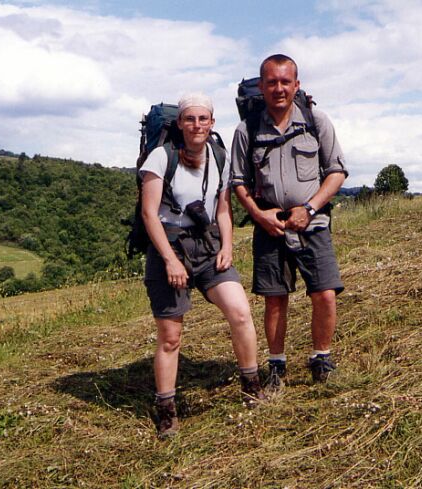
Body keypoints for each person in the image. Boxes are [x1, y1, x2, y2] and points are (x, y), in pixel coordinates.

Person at [140, 92, 265, 438]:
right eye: (190, 119)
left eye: (203, 119)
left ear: (212, 123)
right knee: (170, 336)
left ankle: (251, 385)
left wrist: (228, 246)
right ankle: (166, 409)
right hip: (169, 245)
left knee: (240, 312)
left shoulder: (219, 157)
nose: (197, 125)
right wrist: (169, 260)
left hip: (208, 245)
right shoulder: (160, 158)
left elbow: (223, 209)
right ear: (179, 123)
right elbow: (149, 214)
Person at [231, 54, 348, 389]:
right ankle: (277, 366)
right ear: (262, 86)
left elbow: (337, 171)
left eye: (285, 82)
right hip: (270, 227)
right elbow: (237, 181)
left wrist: (309, 208)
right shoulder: (247, 129)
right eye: (271, 82)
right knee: (275, 299)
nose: (278, 88)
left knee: (324, 293)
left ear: (297, 85)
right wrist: (258, 214)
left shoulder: (315, 120)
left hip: (312, 224)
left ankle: (321, 358)